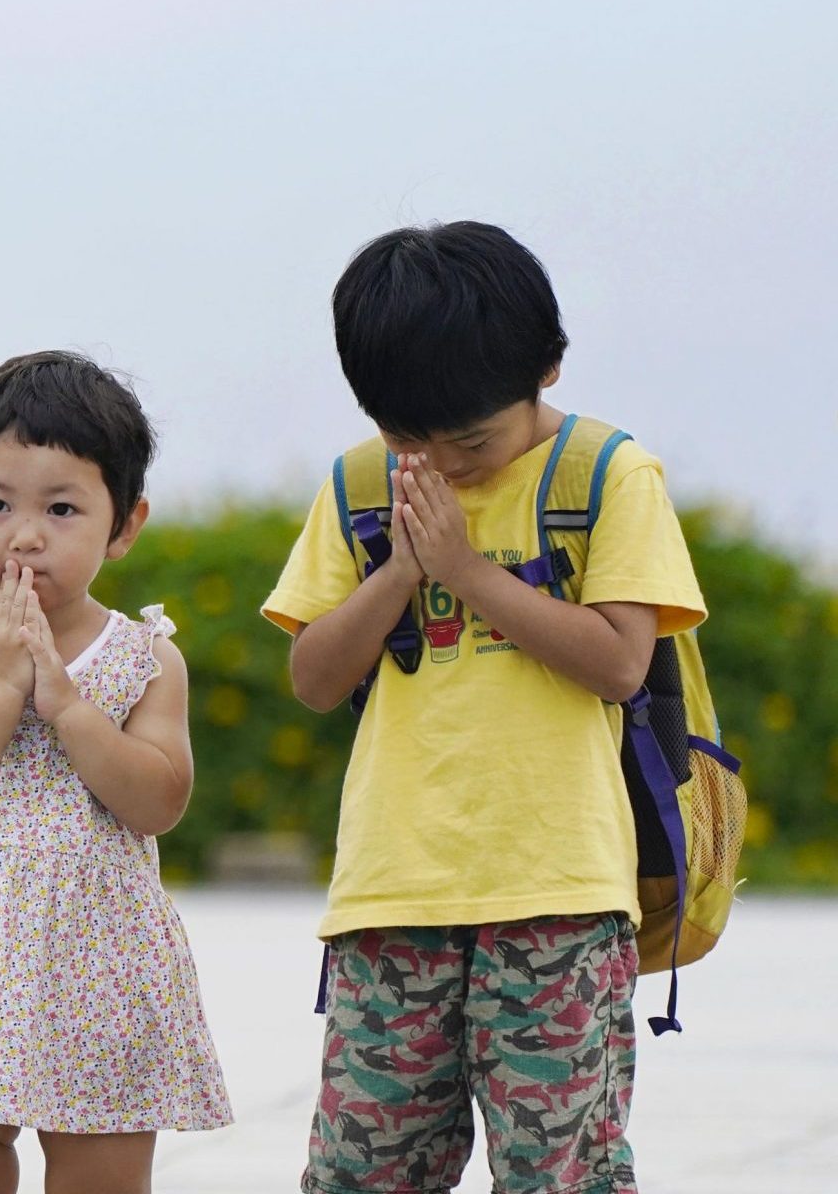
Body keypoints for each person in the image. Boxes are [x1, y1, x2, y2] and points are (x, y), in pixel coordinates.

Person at [264, 222, 705, 1194]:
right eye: (406, 437)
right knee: (362, 1172)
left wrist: (463, 570)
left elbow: (620, 664)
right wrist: (401, 574)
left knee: (558, 1172)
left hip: (559, 895)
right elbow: (314, 677)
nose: (442, 463)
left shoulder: (604, 474)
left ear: (546, 368)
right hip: (391, 896)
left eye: (468, 439)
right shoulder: (359, 487)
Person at [0, 350, 232, 1194]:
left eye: (62, 508)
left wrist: (67, 705)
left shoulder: (145, 658)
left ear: (124, 525)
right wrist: (0, 692)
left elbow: (158, 800)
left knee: (101, 1174)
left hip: (101, 959)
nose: (25, 534)